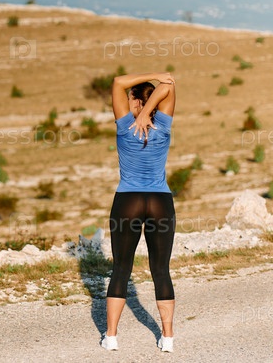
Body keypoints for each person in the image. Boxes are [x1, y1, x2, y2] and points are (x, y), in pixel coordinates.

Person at [101, 72, 177, 353]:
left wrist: (142, 109)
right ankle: (167, 338)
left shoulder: (124, 126)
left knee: (121, 269)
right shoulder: (164, 125)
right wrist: (148, 110)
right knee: (161, 270)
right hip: (160, 202)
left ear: (133, 101)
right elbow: (169, 85)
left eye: (131, 97)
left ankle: (111, 337)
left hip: (128, 201)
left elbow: (118, 81)